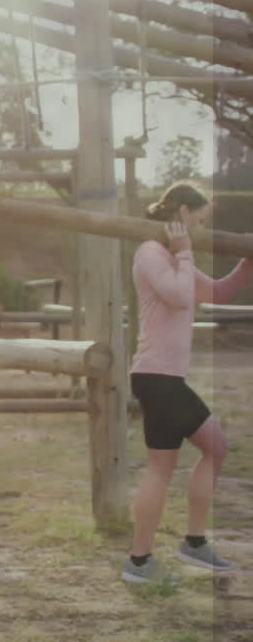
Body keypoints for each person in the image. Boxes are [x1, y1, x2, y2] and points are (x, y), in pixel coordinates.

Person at [123, 182, 251, 583]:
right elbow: (179, 296)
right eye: (198, 219)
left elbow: (216, 291)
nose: (199, 227)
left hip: (166, 378)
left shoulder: (175, 256)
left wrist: (247, 262)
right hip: (156, 376)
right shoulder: (150, 253)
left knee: (214, 447)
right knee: (161, 468)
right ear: (180, 212)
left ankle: (192, 543)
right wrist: (184, 253)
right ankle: (140, 562)